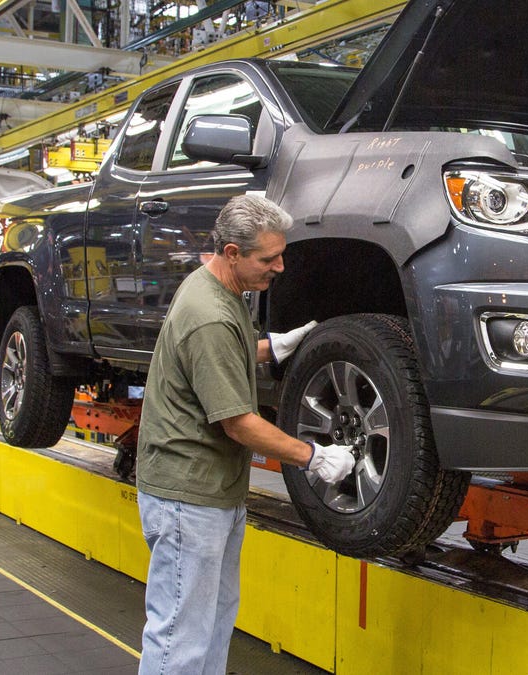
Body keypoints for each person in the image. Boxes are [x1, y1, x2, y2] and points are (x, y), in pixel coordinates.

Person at [135, 194, 355, 675]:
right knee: (179, 636)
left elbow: (217, 358)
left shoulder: (219, 288)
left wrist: (270, 347)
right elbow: (237, 422)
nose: (280, 266)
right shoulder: (208, 314)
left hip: (213, 494)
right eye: (268, 258)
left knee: (213, 623)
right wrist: (313, 456)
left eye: (282, 253)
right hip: (186, 499)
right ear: (232, 252)